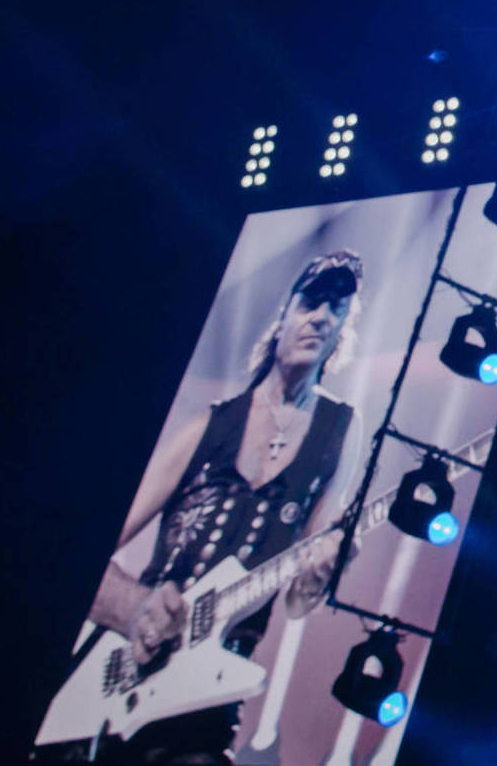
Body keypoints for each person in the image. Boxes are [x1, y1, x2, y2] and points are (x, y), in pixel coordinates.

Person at [55, 251, 362, 763]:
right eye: (312, 302)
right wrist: (134, 611)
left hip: (210, 691)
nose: (323, 317)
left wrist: (325, 569)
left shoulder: (339, 431)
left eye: (338, 308)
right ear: (284, 313)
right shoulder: (210, 426)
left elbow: (297, 602)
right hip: (129, 666)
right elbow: (79, 554)